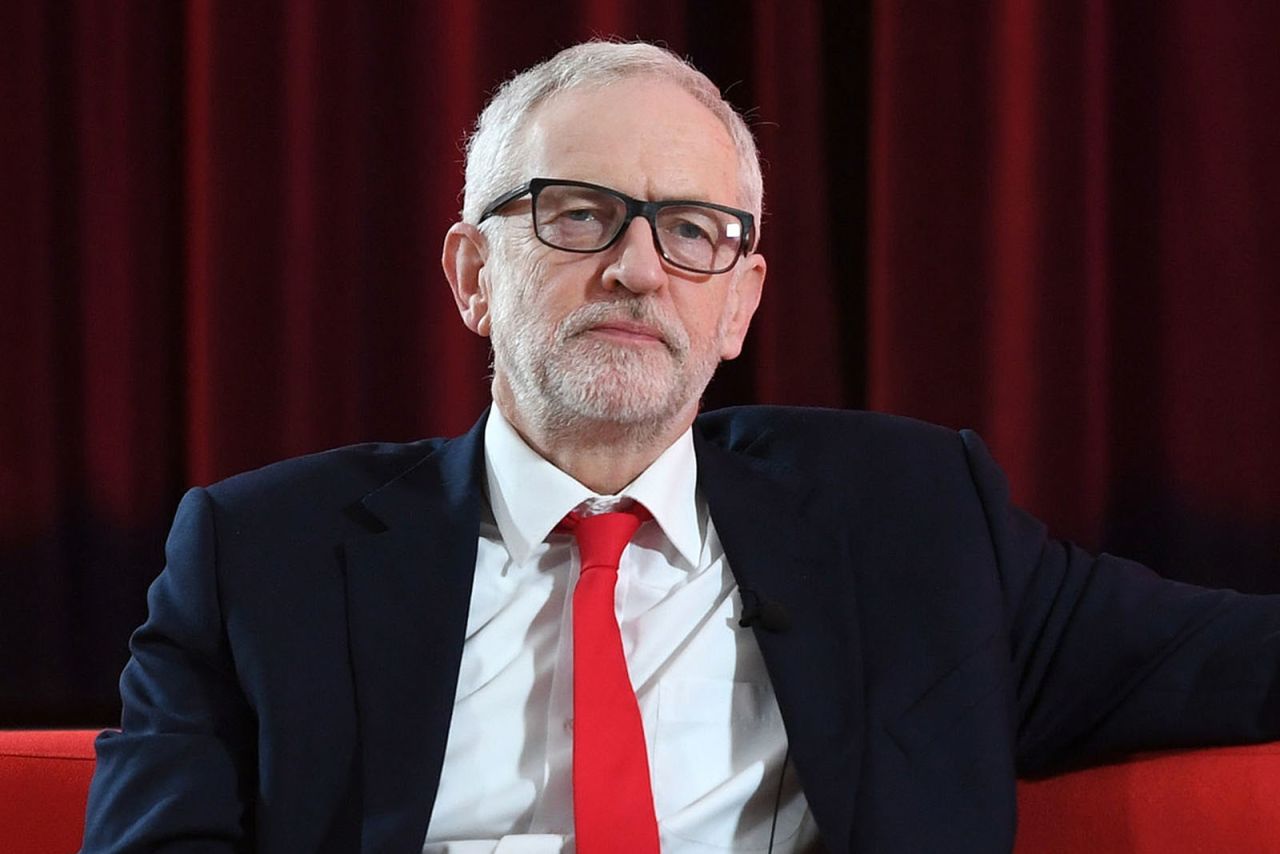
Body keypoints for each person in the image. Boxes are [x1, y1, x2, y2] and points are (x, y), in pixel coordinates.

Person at [81, 40, 1280, 854]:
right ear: (470, 276)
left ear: (742, 301)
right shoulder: (260, 557)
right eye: (577, 213)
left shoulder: (912, 521)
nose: (637, 267)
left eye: (692, 230)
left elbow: (1224, 656)